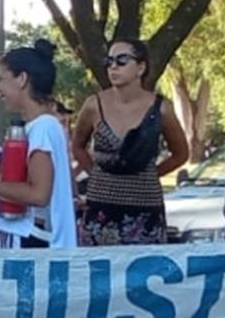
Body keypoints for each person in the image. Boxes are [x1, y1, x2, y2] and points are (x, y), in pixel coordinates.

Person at [0, 40, 77, 248]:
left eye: (2, 79)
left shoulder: (43, 128)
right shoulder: (31, 128)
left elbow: (38, 195)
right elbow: (6, 184)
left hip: (32, 242)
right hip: (20, 236)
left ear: (21, 79)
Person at [72, 39, 189, 244]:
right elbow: (77, 146)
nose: (113, 67)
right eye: (109, 61)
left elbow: (181, 154)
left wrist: (152, 174)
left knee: (145, 272)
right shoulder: (93, 105)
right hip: (101, 205)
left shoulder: (161, 108)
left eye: (122, 60)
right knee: (99, 271)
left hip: (144, 205)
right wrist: (96, 173)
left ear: (141, 67)